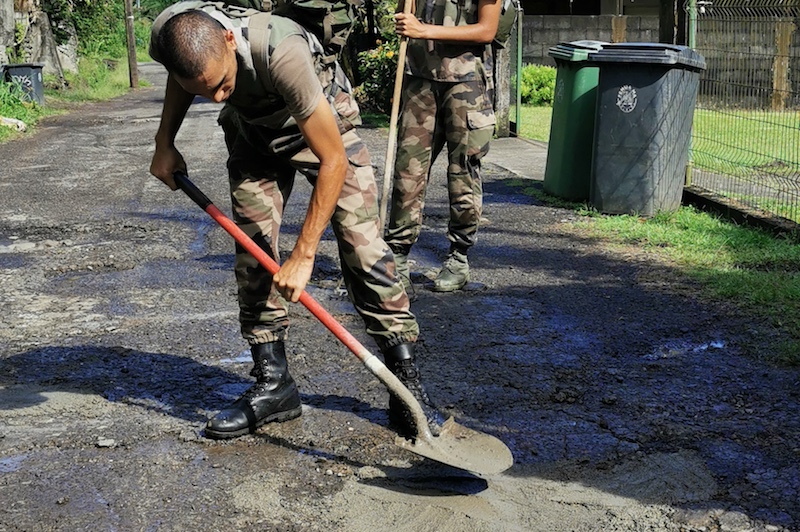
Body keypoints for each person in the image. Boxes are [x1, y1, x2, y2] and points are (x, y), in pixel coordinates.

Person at [147, 1, 438, 440]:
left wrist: (303, 256)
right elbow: (182, 77)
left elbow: (333, 161)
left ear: (230, 40)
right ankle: (274, 385)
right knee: (254, 252)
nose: (217, 98)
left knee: (363, 247)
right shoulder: (171, 33)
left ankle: (406, 386)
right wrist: (164, 141)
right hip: (253, 134)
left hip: (321, 131)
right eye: (205, 92)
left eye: (223, 84)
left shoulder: (282, 52)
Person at [384, 0, 503, 292]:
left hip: (466, 84)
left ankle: (458, 258)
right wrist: (407, 24)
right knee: (407, 170)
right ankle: (398, 256)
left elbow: (487, 30)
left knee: (463, 171)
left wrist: (423, 30)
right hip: (420, 78)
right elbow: (405, 17)